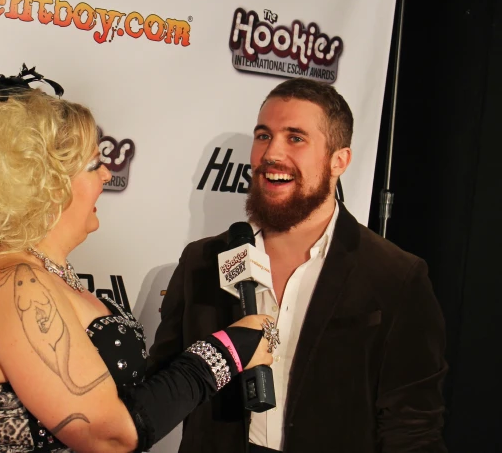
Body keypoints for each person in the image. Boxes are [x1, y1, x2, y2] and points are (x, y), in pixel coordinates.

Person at [0, 64, 278, 453]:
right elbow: (108, 436)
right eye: (94, 165)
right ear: (40, 182)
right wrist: (225, 353)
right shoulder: (10, 283)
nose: (106, 176)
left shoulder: (48, 275)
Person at [148, 77, 448, 453]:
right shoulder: (202, 261)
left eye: (295, 138)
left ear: (339, 160)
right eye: (263, 135)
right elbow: (163, 387)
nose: (271, 153)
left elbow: (413, 430)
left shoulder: (396, 276)